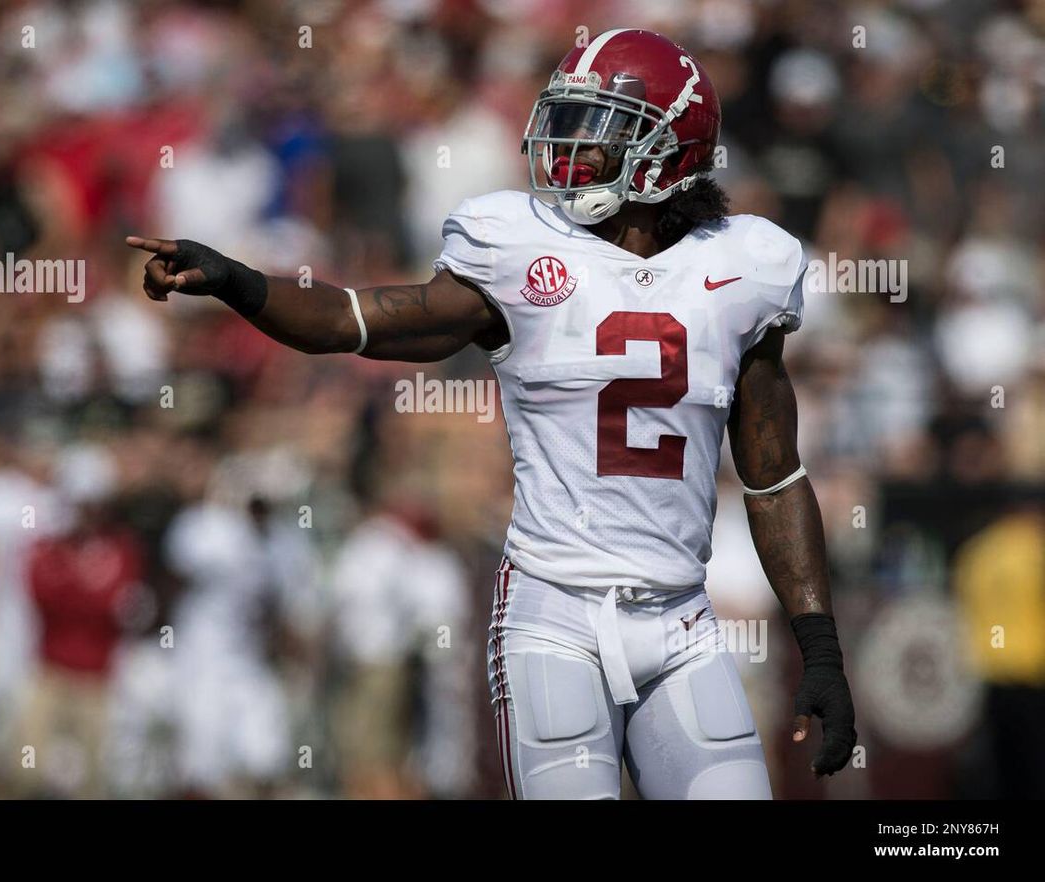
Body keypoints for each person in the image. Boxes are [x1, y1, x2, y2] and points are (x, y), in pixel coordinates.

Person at [127, 28, 856, 799]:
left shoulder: (742, 265)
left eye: (598, 128)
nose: (568, 146)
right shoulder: (517, 247)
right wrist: (239, 281)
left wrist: (821, 649)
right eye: (566, 120)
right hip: (554, 616)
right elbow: (352, 319)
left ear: (668, 149)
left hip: (682, 620)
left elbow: (774, 476)